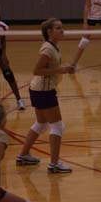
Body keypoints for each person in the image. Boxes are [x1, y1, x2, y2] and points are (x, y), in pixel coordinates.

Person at [16, 18, 74, 173]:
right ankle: (54, 164)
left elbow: (49, 68)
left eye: (62, 28)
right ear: (50, 32)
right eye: (58, 28)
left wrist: (64, 69)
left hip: (38, 89)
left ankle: (23, 155)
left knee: (41, 124)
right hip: (44, 90)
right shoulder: (48, 49)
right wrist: (61, 70)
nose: (62, 31)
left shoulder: (53, 47)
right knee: (58, 125)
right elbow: (37, 70)